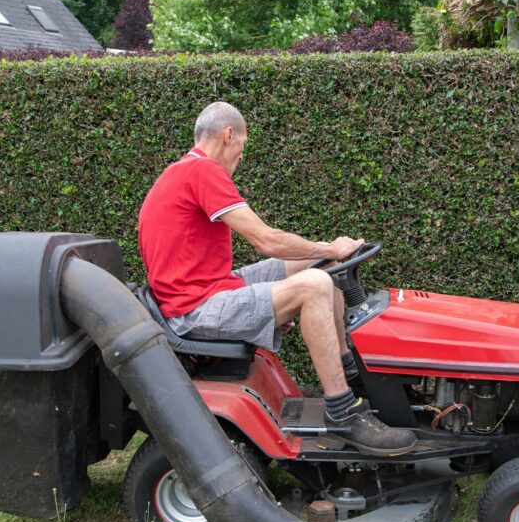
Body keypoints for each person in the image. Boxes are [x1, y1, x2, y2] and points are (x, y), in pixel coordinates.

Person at [138, 102, 416, 457]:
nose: (240, 158)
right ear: (228, 136)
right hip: (196, 309)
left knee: (315, 266)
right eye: (241, 149)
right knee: (314, 285)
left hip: (206, 288)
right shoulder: (203, 171)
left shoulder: (182, 170)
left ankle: (352, 377)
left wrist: (325, 252)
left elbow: (276, 249)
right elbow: (265, 239)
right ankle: (342, 413)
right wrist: (329, 244)